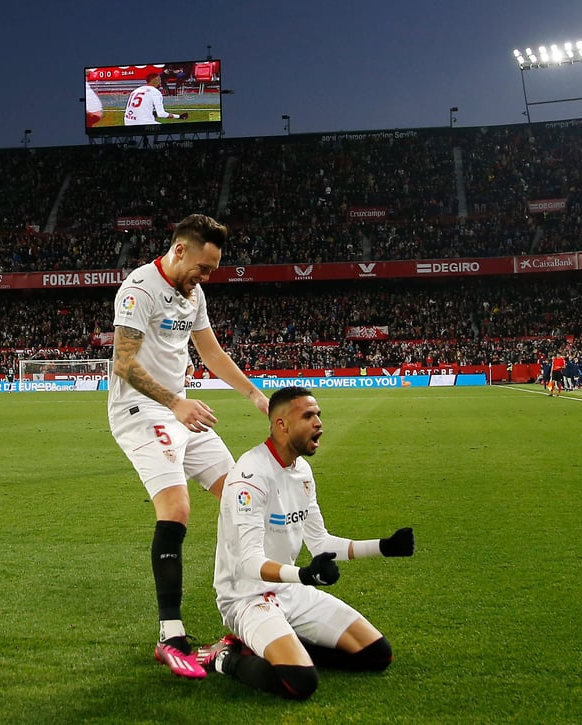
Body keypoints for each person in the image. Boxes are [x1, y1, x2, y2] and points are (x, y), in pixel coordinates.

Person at [107, 213, 269, 678]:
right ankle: (170, 635)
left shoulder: (193, 294)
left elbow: (212, 352)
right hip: (141, 412)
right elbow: (124, 364)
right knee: (176, 508)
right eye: (204, 266)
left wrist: (254, 394)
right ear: (180, 250)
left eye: (213, 270)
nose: (206, 276)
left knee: (244, 495)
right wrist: (176, 402)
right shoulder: (138, 290)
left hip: (182, 411)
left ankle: (244, 616)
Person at [200, 386, 413, 699]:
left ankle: (282, 645)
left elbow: (321, 542)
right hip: (246, 598)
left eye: (319, 415)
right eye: (308, 416)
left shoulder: (302, 471)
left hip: (290, 590)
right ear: (281, 425)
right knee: (299, 683)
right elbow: (249, 563)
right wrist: (304, 575)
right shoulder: (250, 476)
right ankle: (223, 658)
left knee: (378, 654)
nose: (319, 423)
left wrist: (383, 547)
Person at [123, 72, 187, 126]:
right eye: (159, 80)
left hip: (128, 122)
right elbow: (161, 114)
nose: (160, 83)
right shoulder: (155, 92)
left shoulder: (136, 90)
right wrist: (179, 116)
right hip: (143, 123)